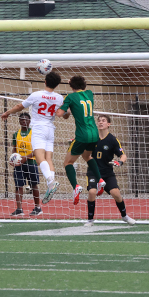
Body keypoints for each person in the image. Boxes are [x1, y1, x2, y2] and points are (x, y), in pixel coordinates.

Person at [1, 71, 63, 204]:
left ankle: (51, 182)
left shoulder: (36, 95)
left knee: (40, 158)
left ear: (45, 81)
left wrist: (7, 112)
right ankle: (51, 182)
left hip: (39, 128)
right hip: (50, 128)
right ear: (57, 85)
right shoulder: (59, 98)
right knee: (48, 158)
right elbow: (64, 113)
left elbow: (19, 106)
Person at [56, 75, 106, 205]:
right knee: (87, 156)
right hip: (94, 134)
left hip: (82, 135)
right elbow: (69, 113)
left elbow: (61, 114)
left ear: (71, 86)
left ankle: (76, 187)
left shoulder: (70, 97)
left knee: (67, 163)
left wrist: (58, 107)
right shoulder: (89, 94)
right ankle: (100, 180)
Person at [85, 114, 135, 226]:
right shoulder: (92, 138)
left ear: (108, 124)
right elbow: (83, 150)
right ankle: (90, 220)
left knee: (116, 193)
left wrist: (120, 162)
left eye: (103, 120)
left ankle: (124, 216)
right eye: (99, 121)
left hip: (107, 173)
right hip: (93, 172)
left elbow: (123, 155)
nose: (100, 122)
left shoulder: (113, 140)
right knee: (92, 192)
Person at [10, 113, 42, 216]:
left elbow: (37, 150)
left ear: (29, 121)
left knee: (34, 185)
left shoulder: (34, 133)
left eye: (26, 120)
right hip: (19, 164)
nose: (24, 121)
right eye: (22, 120)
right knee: (18, 186)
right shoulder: (16, 134)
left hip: (31, 162)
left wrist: (26, 157)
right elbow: (14, 149)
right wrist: (13, 159)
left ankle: (37, 207)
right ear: (19, 121)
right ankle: (19, 209)